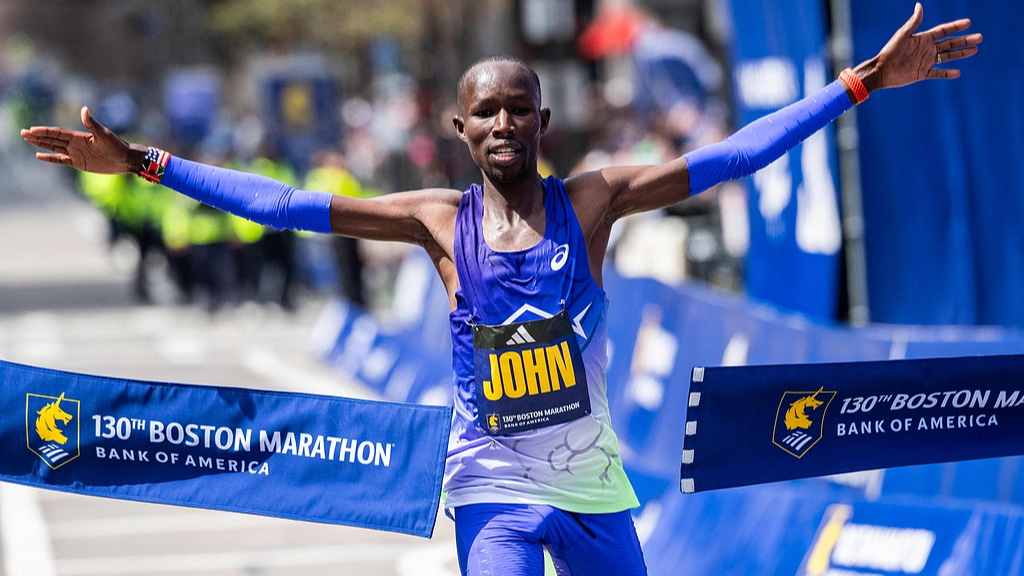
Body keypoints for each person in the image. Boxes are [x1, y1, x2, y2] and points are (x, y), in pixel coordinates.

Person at [21, 5, 980, 575]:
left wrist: (857, 85)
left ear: (544, 120)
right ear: (460, 125)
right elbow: (280, 205)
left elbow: (732, 154)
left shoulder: (595, 202)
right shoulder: (438, 222)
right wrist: (146, 163)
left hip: (599, 492)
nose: (505, 123)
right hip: (495, 497)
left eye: (520, 108)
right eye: (487, 110)